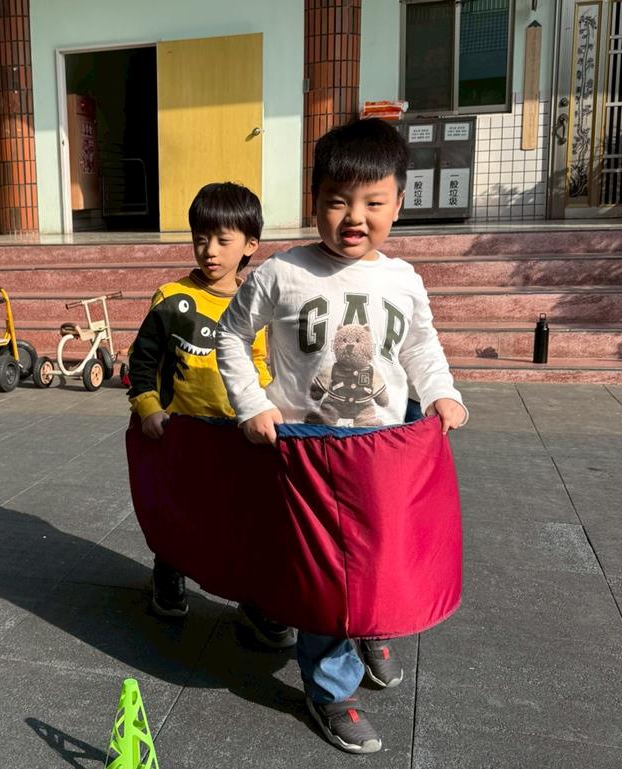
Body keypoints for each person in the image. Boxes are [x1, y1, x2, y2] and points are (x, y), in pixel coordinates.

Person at [215, 118, 467, 754]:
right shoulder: (282, 273)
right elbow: (231, 336)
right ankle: (332, 688)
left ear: (398, 203)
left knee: (382, 552)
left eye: (373, 203)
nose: (355, 218)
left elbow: (420, 345)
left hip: (383, 447)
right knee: (326, 572)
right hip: (305, 446)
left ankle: (371, 627)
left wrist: (442, 391)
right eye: (337, 201)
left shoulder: (402, 279)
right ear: (314, 201)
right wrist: (251, 404)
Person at [127, 181, 295, 649]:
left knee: (243, 521)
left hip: (238, 435)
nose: (210, 251)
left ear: (250, 245)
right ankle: (168, 572)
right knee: (176, 512)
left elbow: (264, 364)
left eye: (223, 240)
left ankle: (254, 599)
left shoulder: (257, 302)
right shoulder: (171, 298)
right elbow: (142, 360)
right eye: (201, 238)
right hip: (179, 433)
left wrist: (270, 409)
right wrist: (148, 407)